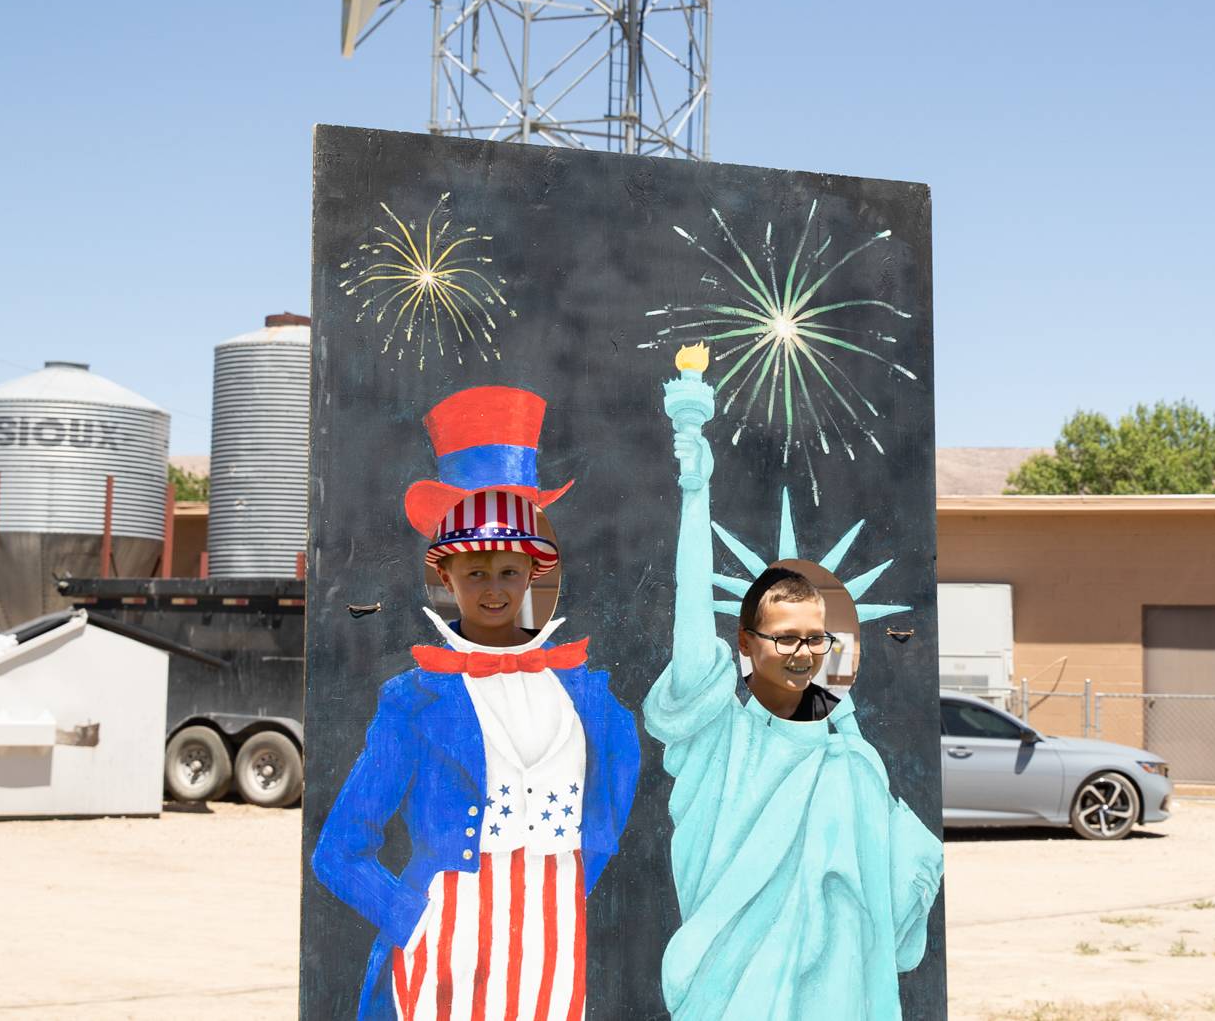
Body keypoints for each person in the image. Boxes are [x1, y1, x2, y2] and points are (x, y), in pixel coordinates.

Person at [313, 387, 640, 1021]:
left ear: (531, 574)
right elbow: (338, 850)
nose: (494, 589)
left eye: (509, 571)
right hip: (446, 953)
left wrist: (570, 885)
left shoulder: (590, 700)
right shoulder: (411, 701)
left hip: (552, 950)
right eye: (475, 572)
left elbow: (607, 808)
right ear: (448, 578)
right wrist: (416, 918)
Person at [642, 378, 943, 1020]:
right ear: (747, 646)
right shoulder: (720, 738)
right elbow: (693, 635)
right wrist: (696, 497)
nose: (802, 652)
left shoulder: (856, 764)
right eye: (783, 637)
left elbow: (890, 930)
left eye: (815, 637)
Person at [738, 567, 843, 723]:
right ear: (745, 642)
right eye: (787, 638)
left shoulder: (827, 710)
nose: (804, 653)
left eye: (816, 638)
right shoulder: (730, 708)